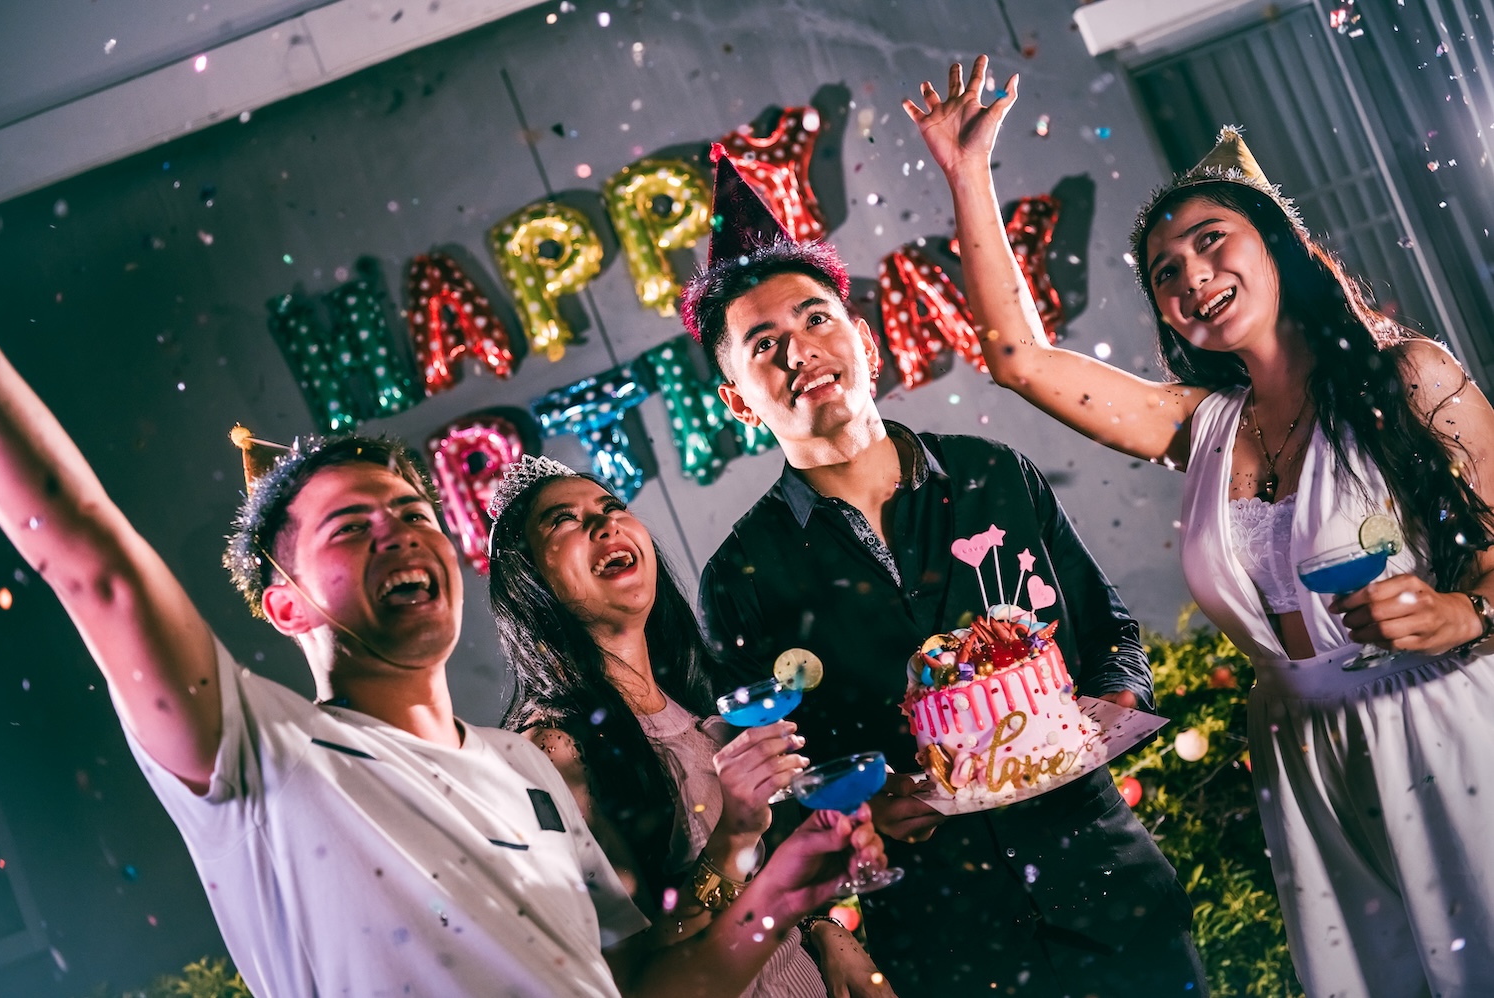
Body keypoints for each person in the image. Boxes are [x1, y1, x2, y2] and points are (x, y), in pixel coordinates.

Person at [0, 336, 886, 998]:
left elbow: (637, 986)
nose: (400, 531)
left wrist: (771, 896)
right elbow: (90, 557)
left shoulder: (519, 767)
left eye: (413, 511)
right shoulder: (265, 756)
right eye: (351, 527)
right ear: (287, 605)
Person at [908, 54, 1494, 996]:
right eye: (1167, 274)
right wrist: (966, 173)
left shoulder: (1408, 376)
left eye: (1214, 243)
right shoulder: (1203, 427)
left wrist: (1468, 613)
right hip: (1304, 751)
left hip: (1445, 722)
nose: (1193, 277)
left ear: (1276, 242)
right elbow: (1018, 357)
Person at [686, 149, 1205, 994]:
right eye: (765, 344)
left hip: (1108, 886)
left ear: (863, 341)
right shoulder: (743, 575)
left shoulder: (993, 475)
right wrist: (854, 809)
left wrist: (1113, 704)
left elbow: (1108, 629)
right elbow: (772, 774)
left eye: (817, 320)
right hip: (949, 938)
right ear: (740, 398)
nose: (801, 352)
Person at [486, 453, 895, 998]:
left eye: (611, 507)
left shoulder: (706, 705)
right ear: (527, 579)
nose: (605, 523)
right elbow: (623, 977)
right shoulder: (554, 753)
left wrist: (823, 929)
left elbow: (760, 896)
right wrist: (732, 837)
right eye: (564, 520)